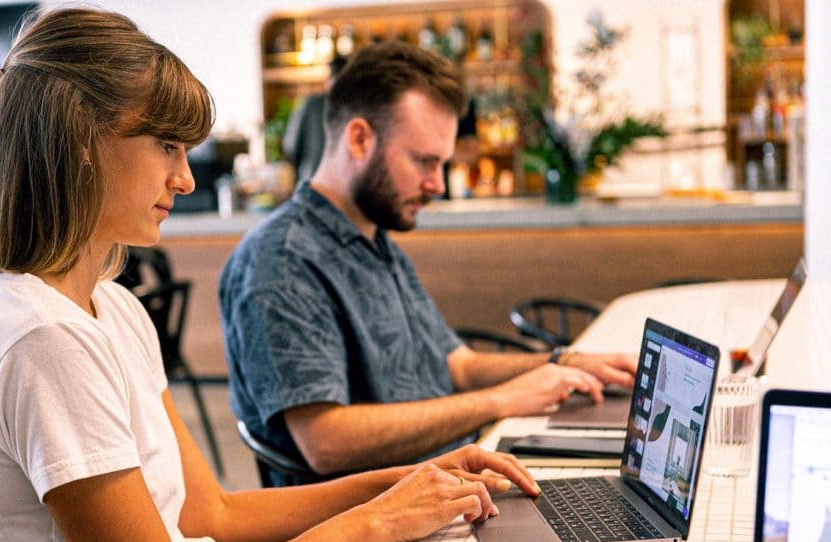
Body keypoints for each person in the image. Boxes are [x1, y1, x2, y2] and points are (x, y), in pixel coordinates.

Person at [0, 9, 540, 542]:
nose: (182, 177)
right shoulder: (44, 340)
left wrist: (410, 480)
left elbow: (213, 517)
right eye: (167, 146)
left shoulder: (109, 307)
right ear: (80, 144)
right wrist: (376, 520)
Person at [219, 41, 637, 486]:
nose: (437, 184)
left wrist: (563, 363)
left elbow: (457, 365)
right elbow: (326, 442)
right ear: (359, 138)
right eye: (423, 161)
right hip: (370, 524)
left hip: (446, 479)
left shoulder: (374, 238)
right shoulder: (282, 261)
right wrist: (498, 402)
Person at [282, 55, 348, 183]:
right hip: (346, 189)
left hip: (312, 183)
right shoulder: (358, 106)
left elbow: (290, 146)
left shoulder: (310, 104)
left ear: (328, 79)